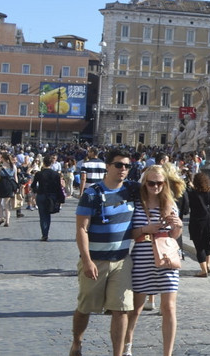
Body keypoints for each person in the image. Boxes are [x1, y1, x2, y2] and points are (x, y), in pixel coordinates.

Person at [71, 148, 138, 356]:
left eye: (127, 166)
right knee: (85, 307)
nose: (123, 169)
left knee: (121, 310)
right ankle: (77, 342)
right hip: (96, 260)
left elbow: (159, 189)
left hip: (121, 260)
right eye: (118, 165)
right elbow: (82, 229)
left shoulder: (132, 190)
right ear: (107, 166)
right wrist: (87, 260)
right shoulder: (92, 194)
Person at [123, 164, 185, 356]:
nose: (156, 187)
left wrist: (179, 225)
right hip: (142, 258)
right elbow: (129, 234)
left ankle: (167, 353)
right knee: (135, 309)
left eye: (159, 183)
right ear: (145, 183)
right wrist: (144, 229)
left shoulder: (170, 203)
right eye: (151, 183)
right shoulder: (136, 204)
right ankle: (127, 348)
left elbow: (174, 235)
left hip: (166, 258)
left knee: (169, 307)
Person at [31, 154, 65, 241]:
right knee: (48, 215)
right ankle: (46, 232)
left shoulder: (39, 174)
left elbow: (33, 185)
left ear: (43, 163)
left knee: (42, 215)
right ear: (51, 163)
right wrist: (61, 198)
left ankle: (44, 234)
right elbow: (58, 187)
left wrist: (36, 191)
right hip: (51, 196)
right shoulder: (56, 174)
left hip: (41, 195)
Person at [0, 152, 18, 227]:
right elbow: (16, 177)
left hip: (2, 183)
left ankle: (1, 217)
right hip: (10, 184)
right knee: (7, 204)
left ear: (2, 158)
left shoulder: (0, 165)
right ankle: (7, 220)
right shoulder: (13, 166)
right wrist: (16, 187)